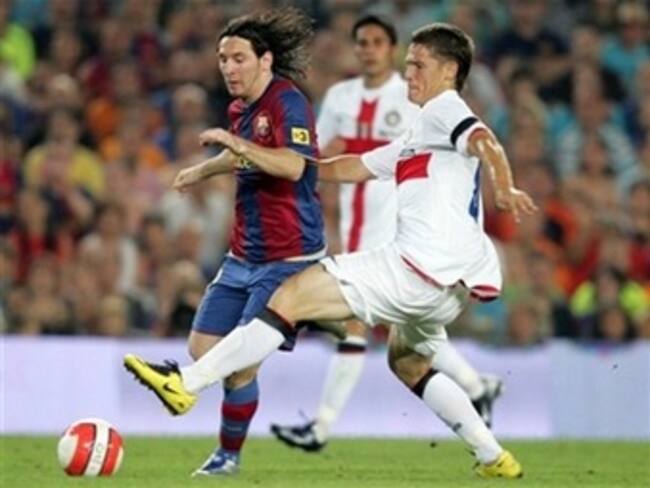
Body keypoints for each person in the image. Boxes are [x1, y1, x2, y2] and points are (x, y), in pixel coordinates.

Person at [125, 22, 537, 479]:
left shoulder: (447, 108)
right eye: (408, 65)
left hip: (414, 269)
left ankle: (185, 383)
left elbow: (483, 140)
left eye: (419, 65)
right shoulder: (422, 131)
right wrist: (291, 163)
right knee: (408, 362)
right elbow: (354, 168)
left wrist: (505, 186)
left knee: (291, 296)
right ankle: (494, 457)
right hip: (450, 285)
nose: (408, 73)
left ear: (450, 70)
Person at [270, 15, 503, 453]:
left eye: (377, 42)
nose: (368, 49)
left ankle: (321, 427)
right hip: (355, 223)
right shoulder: (341, 97)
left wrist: (502, 185)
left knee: (362, 324)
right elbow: (327, 152)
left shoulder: (417, 96)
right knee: (407, 337)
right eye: (361, 42)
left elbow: (445, 152)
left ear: (393, 50)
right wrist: (292, 167)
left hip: (400, 231)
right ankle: (476, 387)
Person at [130, 8, 327, 477]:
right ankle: (332, 319)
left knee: (240, 364)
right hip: (243, 255)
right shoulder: (240, 110)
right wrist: (203, 169)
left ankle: (227, 456)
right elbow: (243, 158)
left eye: (239, 58)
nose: (229, 68)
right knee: (204, 349)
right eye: (223, 59)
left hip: (289, 257)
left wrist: (236, 146)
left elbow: (293, 166)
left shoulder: (288, 102)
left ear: (265, 60)